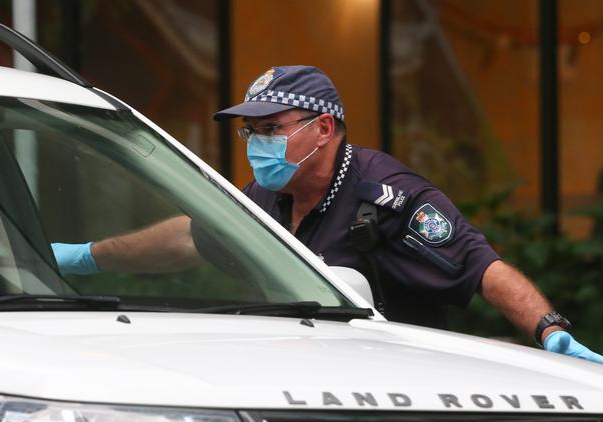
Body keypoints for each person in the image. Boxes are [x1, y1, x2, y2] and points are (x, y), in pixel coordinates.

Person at [52, 65, 603, 364]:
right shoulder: (269, 195)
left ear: (323, 129)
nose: (257, 143)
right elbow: (192, 238)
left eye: (273, 128)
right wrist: (80, 258)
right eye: (252, 131)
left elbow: (481, 267)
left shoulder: (386, 195)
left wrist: (550, 332)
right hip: (289, 380)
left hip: (399, 390)